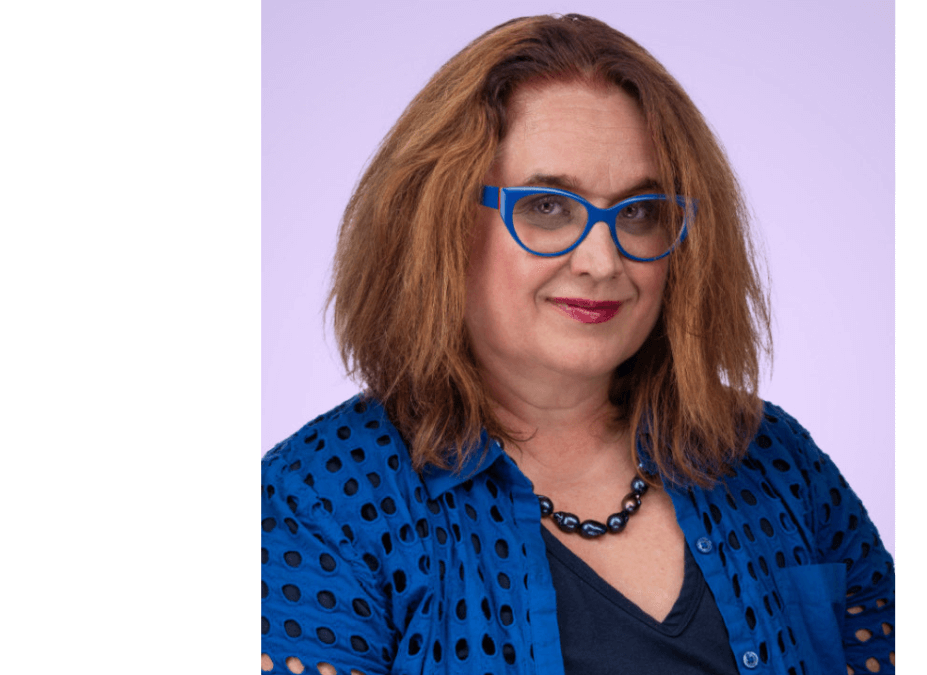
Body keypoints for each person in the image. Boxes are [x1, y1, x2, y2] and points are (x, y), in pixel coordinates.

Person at [261, 13, 894, 675]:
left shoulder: (773, 457)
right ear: (438, 223)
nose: (602, 260)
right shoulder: (320, 501)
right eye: (547, 206)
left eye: (639, 212)